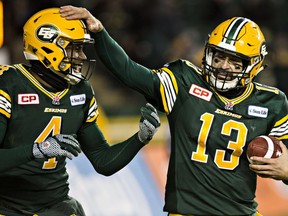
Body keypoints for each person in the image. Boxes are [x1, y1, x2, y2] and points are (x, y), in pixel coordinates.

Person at [60, 5, 288, 216]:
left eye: (235, 62)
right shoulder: (185, 81)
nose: (223, 67)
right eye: (218, 57)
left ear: (254, 65)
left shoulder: (272, 103)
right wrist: (100, 33)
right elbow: (129, 72)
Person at [0, 8, 161, 216]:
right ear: (49, 46)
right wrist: (38, 150)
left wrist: (140, 138)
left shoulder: (80, 91)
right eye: (75, 49)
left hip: (54, 206)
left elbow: (102, 160)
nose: (81, 56)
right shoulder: (9, 84)